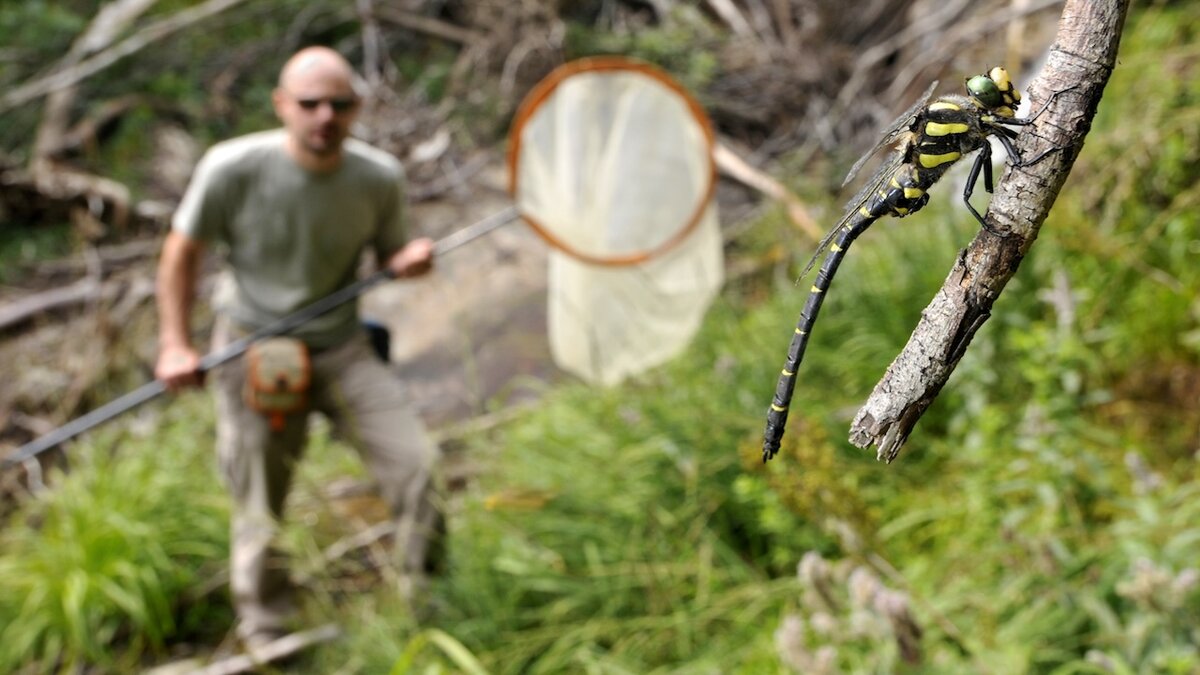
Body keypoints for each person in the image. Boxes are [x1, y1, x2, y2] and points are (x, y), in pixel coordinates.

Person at [154, 46, 442, 649]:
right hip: (254, 347)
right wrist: (176, 345)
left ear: (358, 108)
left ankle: (428, 604)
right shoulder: (232, 168)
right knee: (260, 498)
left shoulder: (377, 177)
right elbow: (181, 253)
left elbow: (391, 254)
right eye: (310, 104)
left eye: (339, 104)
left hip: (342, 346)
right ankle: (267, 629)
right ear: (282, 105)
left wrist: (406, 261)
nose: (324, 117)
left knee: (415, 466)